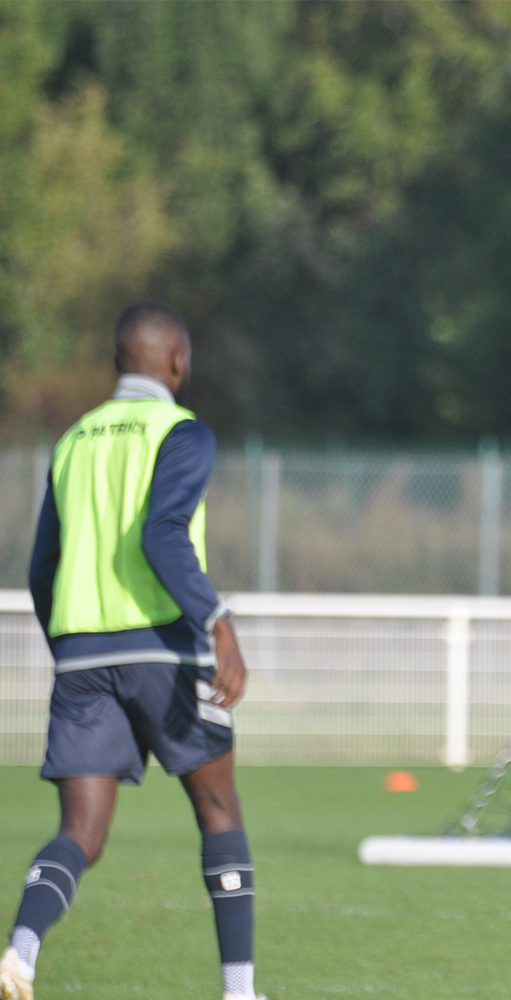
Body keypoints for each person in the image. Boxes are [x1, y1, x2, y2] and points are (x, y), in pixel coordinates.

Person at [2, 303, 263, 1000]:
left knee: (80, 835)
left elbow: (41, 569)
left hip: (81, 656)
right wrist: (219, 621)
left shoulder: (72, 441)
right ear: (177, 362)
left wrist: (71, 647)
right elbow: (163, 536)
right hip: (165, 651)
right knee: (219, 814)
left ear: (119, 362)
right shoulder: (182, 432)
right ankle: (239, 994)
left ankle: (20, 953)